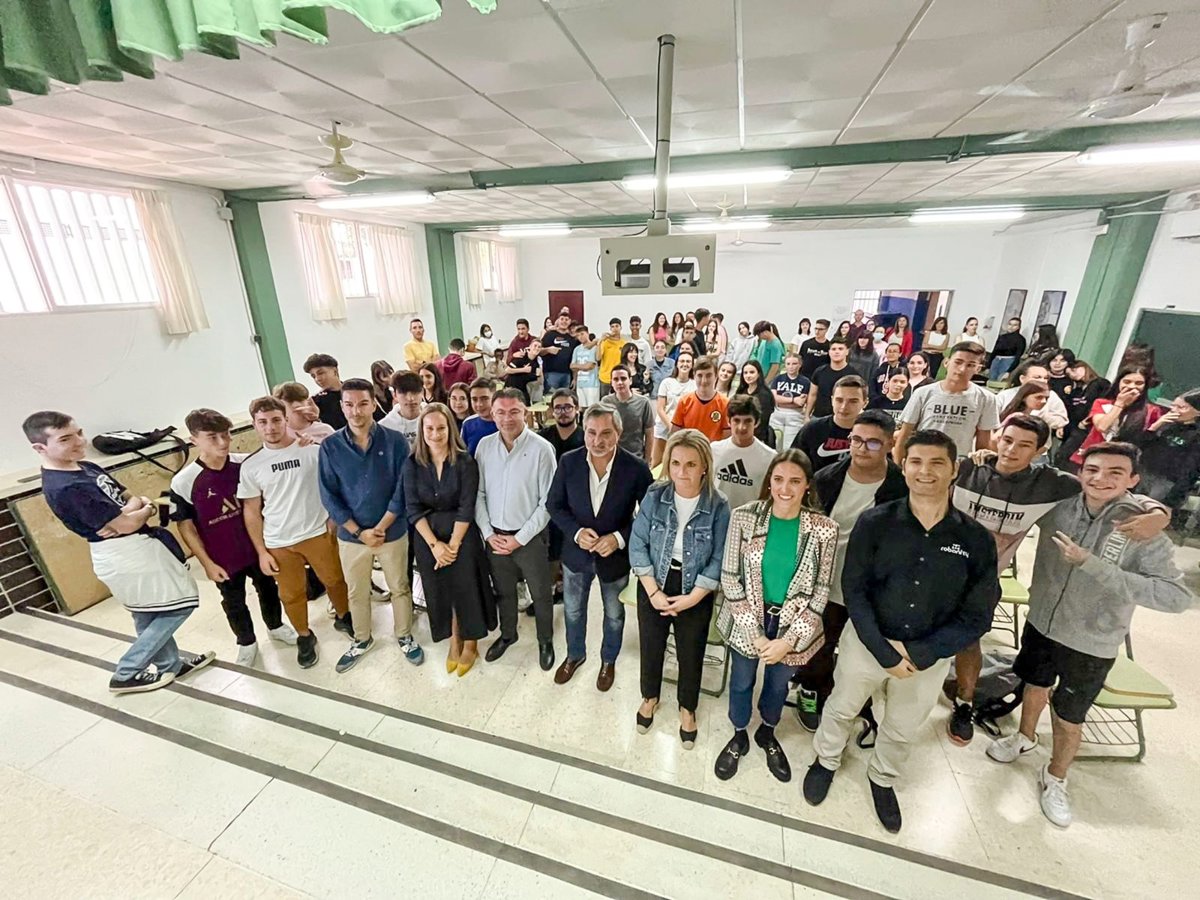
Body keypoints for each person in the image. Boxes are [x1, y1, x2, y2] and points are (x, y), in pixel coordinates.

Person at [986, 442, 1193, 828]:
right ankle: (1025, 736)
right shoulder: (1060, 505)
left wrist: (1095, 565)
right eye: (1093, 470)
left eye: (1115, 472)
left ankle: (1056, 776)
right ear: (1080, 473)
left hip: (1092, 640)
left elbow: (1176, 597)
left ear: (1133, 479)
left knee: (1069, 714)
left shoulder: (1141, 527)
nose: (1100, 479)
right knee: (1034, 685)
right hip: (1042, 621)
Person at [804, 430, 999, 833]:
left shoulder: (975, 539)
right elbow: (854, 589)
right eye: (916, 462)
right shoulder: (875, 522)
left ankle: (882, 778)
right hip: (868, 642)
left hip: (927, 656)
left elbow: (978, 614)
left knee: (901, 726)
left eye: (936, 463)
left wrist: (923, 653)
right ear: (904, 467)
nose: (925, 471)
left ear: (954, 470)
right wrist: (884, 651)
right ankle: (826, 759)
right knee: (841, 707)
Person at [949, 416, 1168, 745]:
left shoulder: (1050, 484)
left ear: (1040, 450)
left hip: (982, 583)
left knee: (969, 643)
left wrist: (1158, 513)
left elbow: (1104, 488)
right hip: (934, 574)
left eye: (1025, 445)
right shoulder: (967, 468)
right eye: (1007, 440)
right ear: (996, 437)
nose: (1011, 450)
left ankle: (964, 704)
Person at [27, 410, 215, 693]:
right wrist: (142, 509)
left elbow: (130, 500)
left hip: (136, 546)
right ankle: (127, 671)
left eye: (79, 433)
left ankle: (170, 665)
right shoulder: (65, 487)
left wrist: (136, 509)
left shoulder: (86, 467)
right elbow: (127, 523)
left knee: (147, 612)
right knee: (180, 604)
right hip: (124, 553)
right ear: (40, 448)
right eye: (65, 439)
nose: (79, 442)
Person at [714, 449, 839, 782]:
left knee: (777, 685)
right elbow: (730, 577)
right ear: (769, 481)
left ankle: (767, 731)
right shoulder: (744, 517)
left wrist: (788, 641)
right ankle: (739, 734)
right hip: (747, 620)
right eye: (779, 479)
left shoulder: (824, 530)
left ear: (807, 485)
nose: (785, 488)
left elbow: (821, 591)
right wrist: (754, 633)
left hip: (794, 627)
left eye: (795, 481)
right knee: (741, 681)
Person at [794, 410, 907, 730]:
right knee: (819, 642)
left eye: (873, 443)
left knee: (859, 650)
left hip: (870, 587)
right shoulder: (826, 478)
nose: (861, 448)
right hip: (826, 580)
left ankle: (854, 699)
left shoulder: (900, 487)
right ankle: (810, 689)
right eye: (856, 440)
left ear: (890, 444)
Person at [171, 409, 297, 667]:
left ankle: (275, 626)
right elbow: (185, 525)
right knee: (233, 601)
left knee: (268, 589)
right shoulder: (183, 481)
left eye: (226, 434)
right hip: (222, 556)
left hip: (257, 547)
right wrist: (206, 562)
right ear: (194, 439)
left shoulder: (246, 463)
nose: (222, 442)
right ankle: (246, 642)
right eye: (212, 437)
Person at [630, 430, 731, 748]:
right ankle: (650, 696)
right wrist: (653, 592)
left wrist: (693, 598)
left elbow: (719, 557)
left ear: (704, 466)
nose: (682, 472)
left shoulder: (718, 505)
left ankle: (687, 707)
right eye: (675, 463)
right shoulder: (655, 495)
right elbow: (637, 544)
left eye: (690, 464)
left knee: (691, 651)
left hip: (695, 589)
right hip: (655, 582)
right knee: (651, 645)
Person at [238, 396, 352, 668]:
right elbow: (251, 511)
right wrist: (261, 551)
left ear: (286, 420)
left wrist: (333, 519)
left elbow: (335, 486)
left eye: (276, 420)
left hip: (317, 532)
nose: (270, 427)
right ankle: (304, 634)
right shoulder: (252, 465)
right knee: (291, 594)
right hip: (279, 541)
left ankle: (344, 616)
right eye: (263, 422)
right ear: (254, 425)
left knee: (335, 580)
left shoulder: (312, 451)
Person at [318, 379, 422, 674]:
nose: (356, 411)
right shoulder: (330, 446)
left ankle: (404, 635)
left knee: (399, 587)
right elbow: (328, 494)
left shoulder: (395, 441)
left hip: (392, 531)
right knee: (357, 591)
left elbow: (403, 487)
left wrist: (382, 526)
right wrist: (358, 531)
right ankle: (362, 639)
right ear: (341, 407)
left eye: (363, 403)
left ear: (374, 404)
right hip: (352, 537)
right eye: (349, 405)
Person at [548, 405, 653, 690]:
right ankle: (575, 655)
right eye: (591, 433)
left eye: (606, 433)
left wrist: (619, 538)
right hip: (576, 555)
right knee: (572, 611)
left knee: (614, 614)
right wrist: (576, 532)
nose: (597, 441)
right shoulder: (568, 462)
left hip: (614, 558)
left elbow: (649, 516)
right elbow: (554, 505)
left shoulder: (636, 468)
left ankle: (609, 660)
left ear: (619, 432)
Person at [404, 403, 496, 677]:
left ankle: (471, 642)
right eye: (429, 428)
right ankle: (454, 639)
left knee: (467, 590)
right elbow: (413, 508)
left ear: (450, 429)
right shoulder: (412, 464)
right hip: (428, 539)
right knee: (442, 591)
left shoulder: (465, 462)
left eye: (441, 428)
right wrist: (436, 546)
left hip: (461, 537)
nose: (435, 434)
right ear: (422, 430)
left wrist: (453, 546)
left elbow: (467, 506)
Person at [474, 389, 559, 670]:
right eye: (500, 412)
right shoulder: (484, 447)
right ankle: (508, 634)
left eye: (514, 412)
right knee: (504, 591)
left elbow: (548, 503)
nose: (507, 418)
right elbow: (479, 494)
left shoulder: (541, 449)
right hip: (495, 537)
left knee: (541, 593)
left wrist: (519, 539)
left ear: (525, 412)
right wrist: (488, 534)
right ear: (492, 414)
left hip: (530, 538)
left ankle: (545, 640)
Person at [893, 342, 999, 463]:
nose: (962, 369)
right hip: (923, 461)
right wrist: (899, 466)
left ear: (978, 369)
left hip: (959, 464)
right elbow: (904, 435)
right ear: (946, 362)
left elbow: (983, 444)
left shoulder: (986, 399)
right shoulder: (923, 393)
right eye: (958, 362)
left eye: (970, 365)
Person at [1070, 366, 1163, 465]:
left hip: (1123, 461)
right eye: (1127, 382)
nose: (1132, 386)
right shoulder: (1101, 403)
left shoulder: (1151, 410)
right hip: (1092, 457)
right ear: (1119, 383)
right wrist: (1120, 404)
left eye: (1139, 383)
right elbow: (1102, 426)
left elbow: (1148, 441)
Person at [1132, 389, 1200, 516]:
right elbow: (1140, 446)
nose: (1174, 410)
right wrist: (1155, 426)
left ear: (1197, 411)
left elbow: (1191, 470)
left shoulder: (1196, 435)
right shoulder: (1166, 424)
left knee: (1144, 516)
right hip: (1143, 473)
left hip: (1166, 482)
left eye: (1181, 407)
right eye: (1173, 405)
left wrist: (1172, 500)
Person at [712, 397, 777, 510]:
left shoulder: (770, 457)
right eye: (736, 421)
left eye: (748, 421)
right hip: (716, 515)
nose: (742, 427)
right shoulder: (713, 450)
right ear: (728, 421)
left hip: (751, 516)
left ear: (757, 422)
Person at [792, 376, 868, 472]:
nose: (844, 407)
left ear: (865, 403)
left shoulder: (872, 433)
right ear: (832, 400)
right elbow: (793, 464)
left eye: (853, 401)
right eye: (839, 400)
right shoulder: (812, 429)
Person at [1056, 359, 1110, 466]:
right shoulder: (1077, 390)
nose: (1073, 375)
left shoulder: (1100, 383)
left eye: (1074, 370)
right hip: (1073, 427)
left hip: (1089, 427)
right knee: (1061, 456)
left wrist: (1088, 420)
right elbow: (1070, 409)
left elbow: (1104, 404)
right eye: (1069, 374)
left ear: (1084, 367)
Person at [598, 364, 657, 461]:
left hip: (635, 457)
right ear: (611, 382)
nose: (620, 382)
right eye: (616, 379)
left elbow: (649, 433)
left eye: (623, 378)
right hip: (611, 457)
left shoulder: (643, 402)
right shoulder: (606, 402)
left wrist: (647, 460)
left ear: (630, 380)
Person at [994, 361, 1069, 432]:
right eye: (1037, 377)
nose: (1042, 381)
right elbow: (993, 418)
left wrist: (1043, 417)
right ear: (1022, 378)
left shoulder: (1051, 395)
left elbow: (1062, 420)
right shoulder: (1005, 395)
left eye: (1045, 378)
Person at [671, 356, 731, 442]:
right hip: (689, 448)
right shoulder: (685, 401)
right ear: (694, 376)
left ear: (716, 375)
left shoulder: (725, 403)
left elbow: (727, 437)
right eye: (700, 375)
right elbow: (675, 434)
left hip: (713, 449)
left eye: (708, 375)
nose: (704, 381)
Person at [654, 352, 695, 467]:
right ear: (677, 364)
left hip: (684, 431)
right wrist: (672, 427)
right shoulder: (667, 382)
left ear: (692, 365)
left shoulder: (695, 385)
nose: (685, 364)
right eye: (682, 361)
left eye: (688, 361)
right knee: (656, 463)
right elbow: (660, 409)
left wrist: (680, 430)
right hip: (664, 428)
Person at [769, 353, 811, 449]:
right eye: (788, 364)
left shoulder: (805, 381)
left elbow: (801, 402)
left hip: (796, 415)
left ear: (800, 365)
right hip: (778, 413)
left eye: (794, 364)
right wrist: (793, 400)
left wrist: (785, 400)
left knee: (789, 446)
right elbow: (774, 397)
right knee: (775, 444)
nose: (791, 367)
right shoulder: (778, 378)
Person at [807, 338, 852, 419]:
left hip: (841, 418)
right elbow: (812, 395)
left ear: (847, 352)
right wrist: (807, 415)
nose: (837, 352)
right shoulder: (819, 372)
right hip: (818, 417)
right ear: (829, 352)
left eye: (840, 349)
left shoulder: (852, 375)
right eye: (833, 349)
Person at [735, 359, 775, 447]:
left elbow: (763, 420)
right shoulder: (741, 391)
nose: (748, 376)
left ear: (759, 374)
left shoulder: (764, 395)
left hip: (758, 438)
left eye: (752, 372)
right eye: (745, 373)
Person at [302, 352, 347, 430]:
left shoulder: (356, 390)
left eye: (321, 373)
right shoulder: (316, 402)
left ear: (335, 371)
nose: (317, 379)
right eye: (313, 376)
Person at [379, 371, 423, 443]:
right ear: (394, 395)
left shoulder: (435, 417)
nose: (410, 398)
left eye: (415, 392)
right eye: (404, 393)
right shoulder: (384, 428)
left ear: (422, 392)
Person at [539, 311, 578, 391]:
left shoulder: (572, 338)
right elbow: (539, 351)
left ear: (569, 322)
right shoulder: (550, 334)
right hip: (551, 374)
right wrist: (548, 350)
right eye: (562, 319)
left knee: (565, 397)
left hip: (567, 374)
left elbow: (574, 359)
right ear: (557, 321)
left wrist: (574, 378)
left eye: (566, 319)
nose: (564, 321)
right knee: (551, 397)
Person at [461, 377, 499, 456]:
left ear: (494, 397)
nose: (479, 404)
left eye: (484, 398)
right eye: (474, 399)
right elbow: (462, 455)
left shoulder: (506, 423)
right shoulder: (468, 424)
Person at [988, 317, 1027, 381]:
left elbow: (1018, 356)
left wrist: (1009, 371)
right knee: (991, 380)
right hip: (996, 361)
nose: (1011, 327)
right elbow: (994, 351)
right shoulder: (1002, 337)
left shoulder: (1020, 339)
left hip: (1008, 362)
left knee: (1001, 382)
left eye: (1014, 325)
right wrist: (988, 366)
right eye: (1010, 324)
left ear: (1018, 327)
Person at [597, 318, 626, 396]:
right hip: (605, 377)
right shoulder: (605, 342)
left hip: (618, 377)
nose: (615, 328)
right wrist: (599, 342)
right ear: (610, 329)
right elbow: (598, 358)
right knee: (604, 401)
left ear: (621, 327)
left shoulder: (624, 343)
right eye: (612, 326)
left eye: (617, 326)